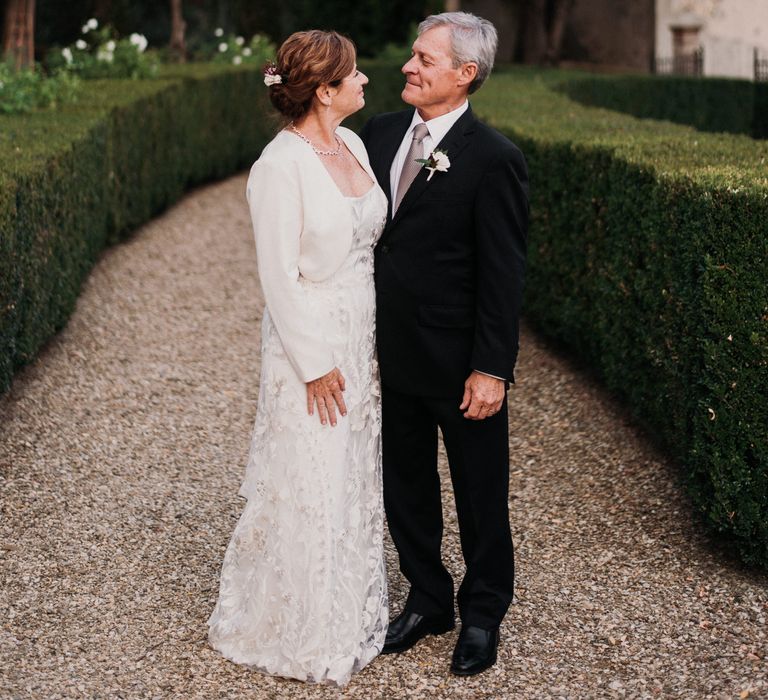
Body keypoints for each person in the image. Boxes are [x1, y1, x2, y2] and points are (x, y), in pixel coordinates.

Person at [207, 30, 388, 686]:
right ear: (324, 91)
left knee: (353, 474)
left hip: (363, 338)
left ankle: (352, 608)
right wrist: (313, 363)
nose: (366, 80)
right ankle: (302, 628)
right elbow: (278, 277)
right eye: (355, 74)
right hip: (309, 345)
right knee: (311, 476)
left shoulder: (356, 144)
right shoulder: (278, 167)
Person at [359, 12, 529, 676]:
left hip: (461, 364)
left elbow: (503, 274)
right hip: (390, 354)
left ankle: (483, 613)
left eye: (425, 60)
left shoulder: (495, 159)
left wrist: (492, 367)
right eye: (411, 55)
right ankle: (428, 599)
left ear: (465, 74)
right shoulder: (376, 135)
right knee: (405, 487)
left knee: (480, 493)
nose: (408, 66)